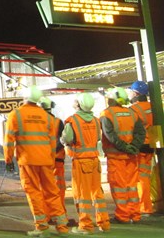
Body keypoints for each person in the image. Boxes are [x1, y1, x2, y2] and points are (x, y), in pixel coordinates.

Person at [5, 85, 69, 236]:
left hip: (28, 161)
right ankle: (62, 226)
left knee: (34, 192)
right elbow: (53, 141)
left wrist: (8, 159)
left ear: (24, 97)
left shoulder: (16, 114)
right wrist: (51, 158)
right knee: (52, 192)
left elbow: (9, 140)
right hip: (46, 160)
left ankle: (41, 226)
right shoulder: (47, 116)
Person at [61, 92, 111, 234]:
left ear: (79, 104)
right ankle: (104, 223)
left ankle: (86, 226)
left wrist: (62, 141)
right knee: (98, 193)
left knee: (83, 195)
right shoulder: (96, 120)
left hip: (81, 161)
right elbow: (98, 138)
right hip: (95, 160)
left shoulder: (72, 121)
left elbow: (67, 139)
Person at [100, 87, 145, 224]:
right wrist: (133, 147)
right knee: (132, 187)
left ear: (113, 99)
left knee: (119, 187)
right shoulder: (133, 113)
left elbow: (111, 136)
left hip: (116, 158)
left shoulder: (106, 114)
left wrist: (124, 147)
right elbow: (141, 133)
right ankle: (135, 214)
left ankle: (123, 216)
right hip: (131, 157)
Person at [127, 80, 155, 216]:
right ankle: (147, 206)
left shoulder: (133, 109)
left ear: (136, 93)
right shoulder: (154, 106)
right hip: (152, 144)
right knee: (146, 176)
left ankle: (144, 207)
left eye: (131, 91)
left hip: (139, 146)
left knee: (139, 178)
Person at [38, 96, 68, 220]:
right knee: (58, 190)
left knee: (43, 190)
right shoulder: (58, 122)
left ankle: (46, 216)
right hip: (57, 161)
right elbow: (63, 140)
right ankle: (59, 216)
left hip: (42, 162)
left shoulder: (37, 123)